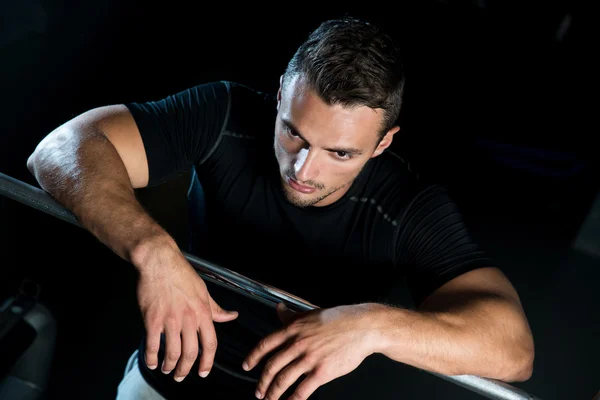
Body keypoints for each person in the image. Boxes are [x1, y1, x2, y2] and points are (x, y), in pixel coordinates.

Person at [26, 16, 534, 400]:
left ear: (382, 144)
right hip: (160, 382)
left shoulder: (408, 207)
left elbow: (513, 350)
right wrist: (153, 250)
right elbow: (61, 148)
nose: (304, 170)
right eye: (294, 132)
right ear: (279, 99)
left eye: (341, 153)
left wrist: (372, 325)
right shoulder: (225, 114)